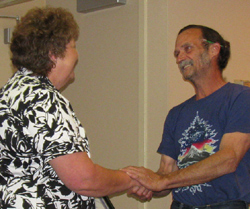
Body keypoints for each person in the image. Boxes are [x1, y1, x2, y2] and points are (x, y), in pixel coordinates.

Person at [0, 7, 150, 208]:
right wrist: (130, 179)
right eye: (73, 46)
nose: (77, 54)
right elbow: (83, 179)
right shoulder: (43, 99)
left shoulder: (10, 92)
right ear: (54, 54)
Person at [122, 25, 250, 209]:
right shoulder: (176, 113)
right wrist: (147, 185)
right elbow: (166, 172)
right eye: (176, 54)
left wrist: (162, 181)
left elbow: (229, 158)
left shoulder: (241, 97)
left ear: (214, 50)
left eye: (187, 49)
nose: (180, 58)